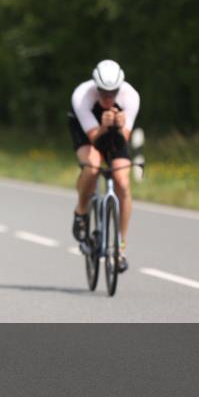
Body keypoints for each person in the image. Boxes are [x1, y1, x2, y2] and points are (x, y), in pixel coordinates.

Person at [68, 60, 140, 271]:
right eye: (103, 92)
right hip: (87, 130)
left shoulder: (131, 97)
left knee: (123, 183)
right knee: (92, 167)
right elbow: (94, 139)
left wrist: (117, 126)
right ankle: (81, 211)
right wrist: (103, 126)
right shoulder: (82, 96)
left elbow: (121, 141)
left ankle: (120, 248)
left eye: (113, 93)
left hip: (114, 130)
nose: (108, 97)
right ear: (95, 87)